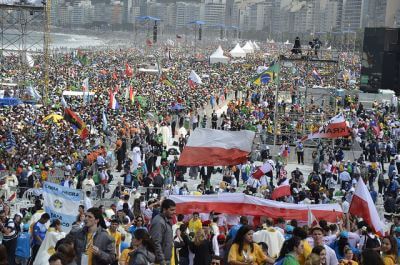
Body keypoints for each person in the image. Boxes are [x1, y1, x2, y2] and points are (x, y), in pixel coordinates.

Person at [149, 199, 175, 265]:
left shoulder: (166, 221)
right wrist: (162, 261)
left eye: (174, 210)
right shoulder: (159, 222)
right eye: (171, 210)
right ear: (164, 209)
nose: (174, 212)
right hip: (160, 262)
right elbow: (156, 243)